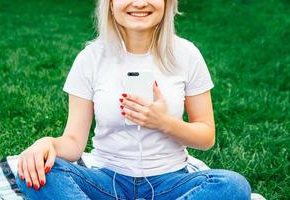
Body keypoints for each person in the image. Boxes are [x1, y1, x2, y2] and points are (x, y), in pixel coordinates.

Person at [15, 0, 251, 199]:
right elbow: (74, 142)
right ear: (109, 4)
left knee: (233, 186)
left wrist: (163, 122)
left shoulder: (187, 55)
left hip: (171, 182)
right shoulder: (90, 59)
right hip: (107, 182)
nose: (139, 3)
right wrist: (47, 143)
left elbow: (206, 136)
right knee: (32, 171)